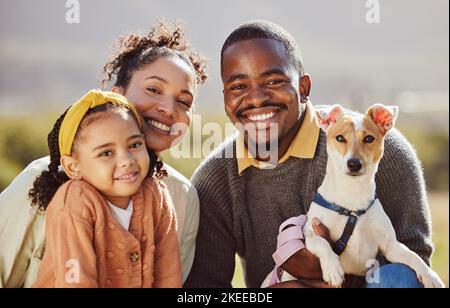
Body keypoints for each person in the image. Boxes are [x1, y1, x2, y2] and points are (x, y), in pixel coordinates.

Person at [184, 20, 433, 288]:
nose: (256, 99)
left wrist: (335, 280)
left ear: (303, 88)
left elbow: (412, 266)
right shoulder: (216, 180)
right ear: (225, 99)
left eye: (273, 80)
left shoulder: (376, 148)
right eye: (238, 87)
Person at [0, 21, 207, 287]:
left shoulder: (181, 197)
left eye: (183, 101)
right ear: (116, 97)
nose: (168, 108)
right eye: (153, 90)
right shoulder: (40, 182)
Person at [31, 89, 180, 287]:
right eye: (106, 153)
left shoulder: (156, 195)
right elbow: (76, 281)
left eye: (134, 145)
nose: (126, 160)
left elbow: (168, 274)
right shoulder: (75, 202)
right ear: (73, 166)